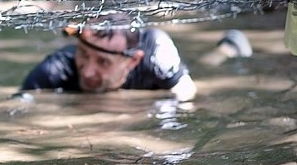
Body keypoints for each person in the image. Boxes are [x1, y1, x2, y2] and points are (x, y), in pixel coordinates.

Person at [20, 12, 198, 101]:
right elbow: (21, 104)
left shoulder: (155, 54)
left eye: (103, 61)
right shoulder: (54, 70)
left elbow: (186, 93)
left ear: (133, 60)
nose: (88, 72)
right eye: (82, 53)